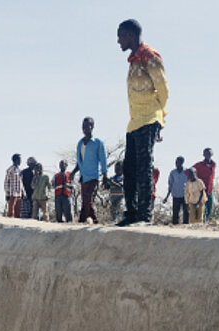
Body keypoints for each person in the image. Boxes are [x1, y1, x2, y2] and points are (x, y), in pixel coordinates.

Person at [116, 18, 169, 226]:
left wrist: (160, 119)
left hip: (149, 118)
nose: (118, 41)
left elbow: (163, 89)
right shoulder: (133, 60)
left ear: (130, 35)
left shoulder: (150, 57)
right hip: (134, 121)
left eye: (120, 36)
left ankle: (144, 216)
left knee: (144, 167)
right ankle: (132, 213)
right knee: (129, 168)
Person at [72, 117, 108, 223]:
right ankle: (94, 219)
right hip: (83, 176)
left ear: (92, 127)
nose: (85, 128)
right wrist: (73, 172)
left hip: (93, 176)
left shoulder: (97, 143)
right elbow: (79, 161)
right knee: (86, 199)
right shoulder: (80, 143)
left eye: (87, 126)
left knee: (88, 197)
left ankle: (83, 219)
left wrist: (105, 175)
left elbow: (103, 160)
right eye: (83, 126)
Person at [192, 149, 217, 220]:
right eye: (206, 153)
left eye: (209, 153)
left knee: (209, 207)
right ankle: (202, 222)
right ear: (203, 155)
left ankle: (205, 221)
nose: (208, 155)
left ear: (212, 154)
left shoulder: (213, 164)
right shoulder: (199, 165)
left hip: (210, 189)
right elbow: (188, 172)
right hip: (202, 189)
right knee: (203, 208)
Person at [164, 156, 189, 224]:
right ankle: (175, 225)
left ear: (182, 162)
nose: (176, 163)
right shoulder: (173, 172)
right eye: (176, 162)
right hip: (175, 195)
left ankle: (186, 225)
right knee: (175, 212)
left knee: (186, 212)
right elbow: (170, 184)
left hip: (185, 195)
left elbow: (190, 183)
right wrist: (167, 197)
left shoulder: (186, 171)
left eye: (178, 162)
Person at [4, 154, 26, 218]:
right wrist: (7, 193)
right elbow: (6, 181)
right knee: (11, 210)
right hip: (12, 192)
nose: (20, 161)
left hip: (18, 193)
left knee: (18, 211)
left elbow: (21, 182)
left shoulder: (20, 170)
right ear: (15, 160)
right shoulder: (10, 169)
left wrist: (23, 192)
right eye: (19, 160)